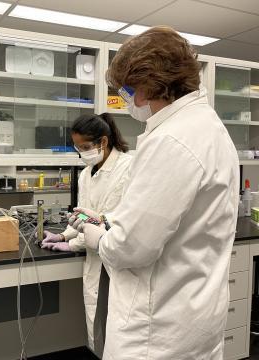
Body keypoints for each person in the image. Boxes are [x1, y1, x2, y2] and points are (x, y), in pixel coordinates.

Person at [70, 26, 239, 359]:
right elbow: (176, 216)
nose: (129, 100)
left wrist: (96, 236)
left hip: (157, 330)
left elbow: (131, 249)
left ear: (149, 85)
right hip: (193, 314)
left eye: (128, 90)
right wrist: (109, 218)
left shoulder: (172, 140)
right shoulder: (207, 128)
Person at [40, 113, 132, 356]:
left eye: (85, 147)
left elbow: (108, 221)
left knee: (117, 328)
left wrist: (74, 245)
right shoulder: (85, 173)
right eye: (78, 148)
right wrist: (63, 236)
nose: (82, 153)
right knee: (98, 324)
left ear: (103, 141)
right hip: (94, 256)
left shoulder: (127, 167)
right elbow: (83, 215)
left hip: (116, 258)